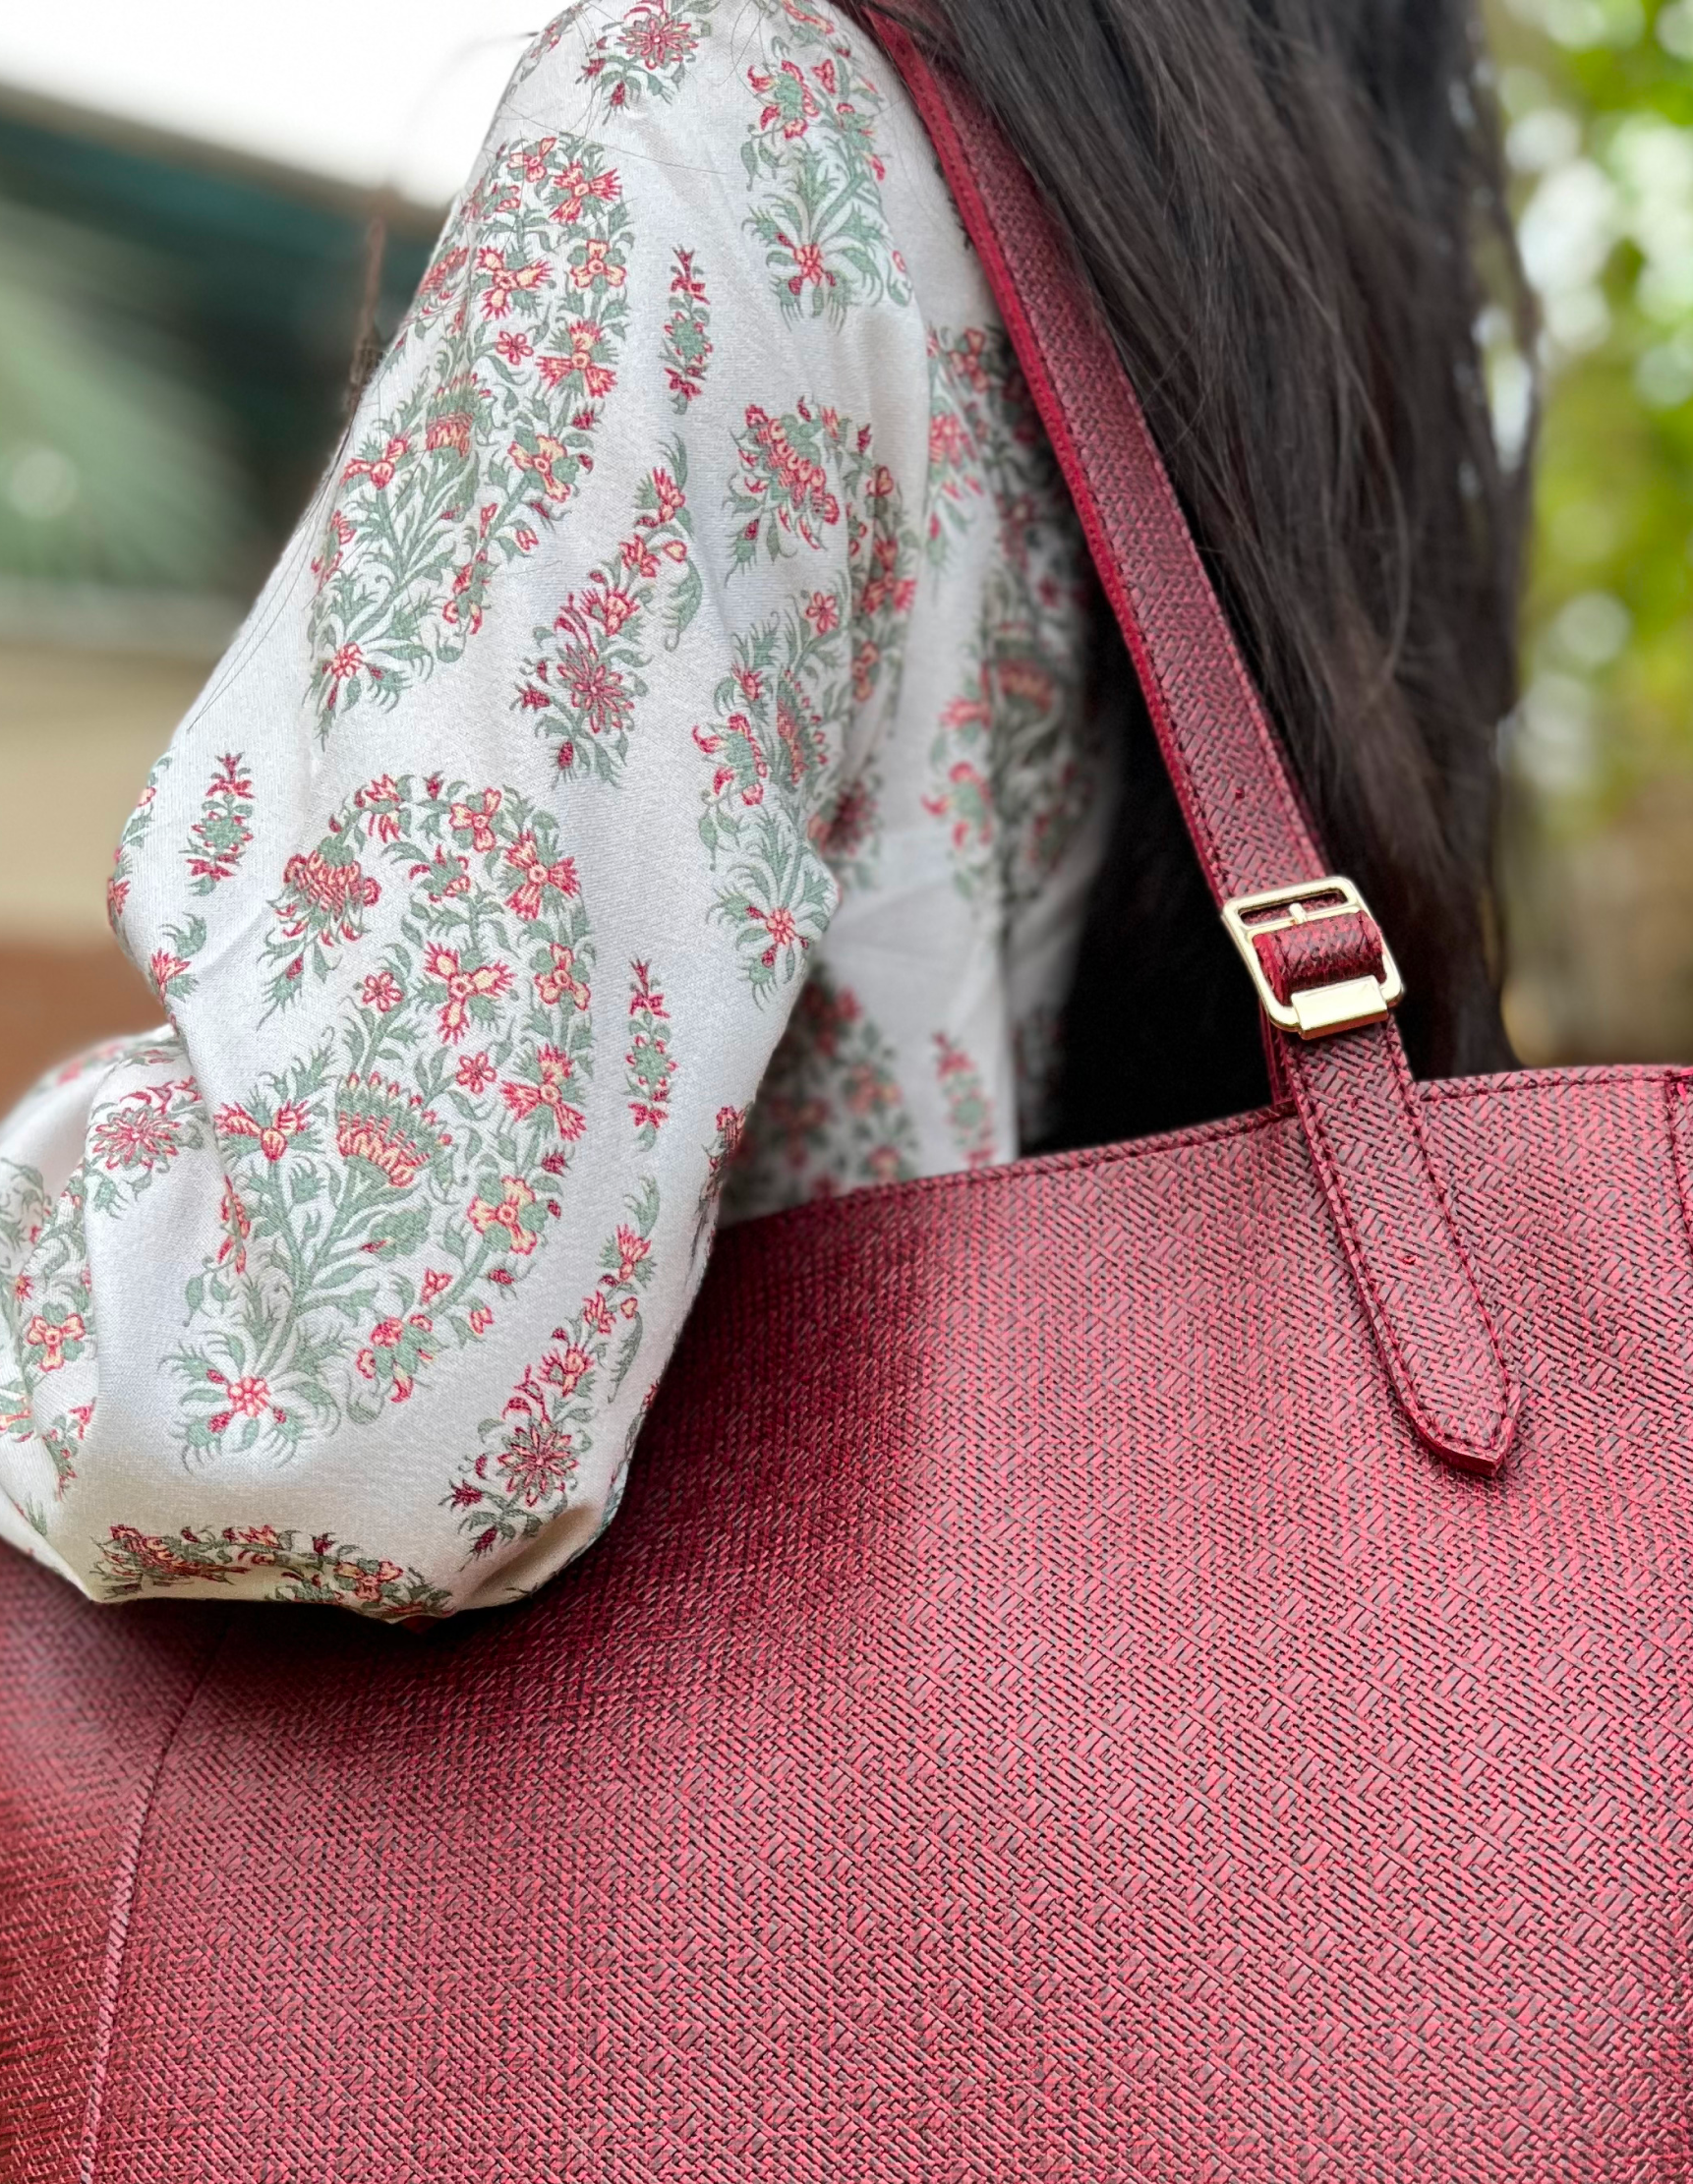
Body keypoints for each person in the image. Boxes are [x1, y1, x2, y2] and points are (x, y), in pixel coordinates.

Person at [0, 0, 1524, 1626]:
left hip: (664, 1812)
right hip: (1077, 1711)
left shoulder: (702, 119)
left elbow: (336, 1376)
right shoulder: (1219, 270)